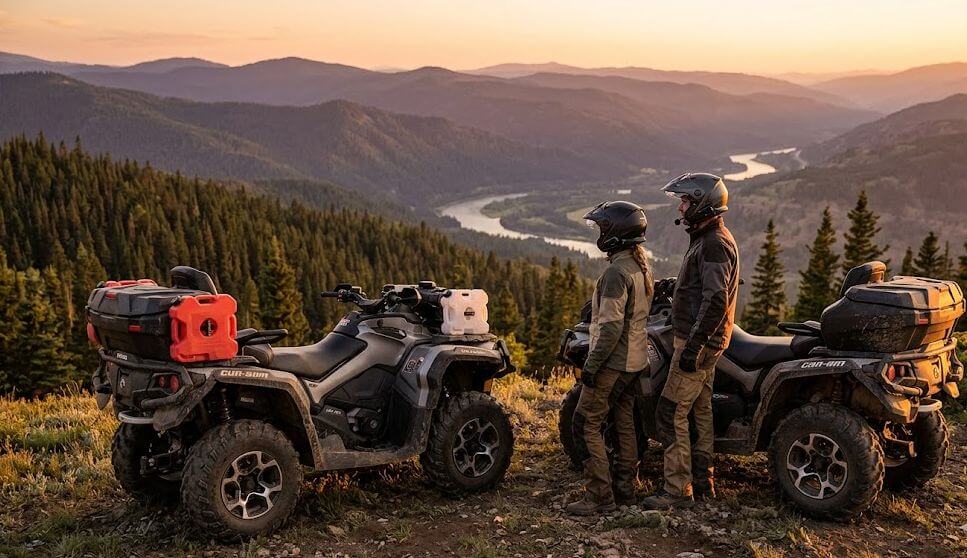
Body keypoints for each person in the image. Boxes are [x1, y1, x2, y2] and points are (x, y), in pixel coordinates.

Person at [642, 173, 739, 510]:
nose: (681, 207)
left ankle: (676, 490)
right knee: (700, 411)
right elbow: (704, 286)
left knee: (670, 412)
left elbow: (716, 299)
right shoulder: (707, 237)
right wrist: (677, 284)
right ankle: (702, 480)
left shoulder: (713, 243)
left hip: (698, 343)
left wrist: (694, 346)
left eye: (685, 201)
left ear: (702, 203)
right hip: (707, 341)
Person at [566, 201, 653, 516]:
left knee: (585, 422)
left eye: (602, 228)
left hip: (614, 362)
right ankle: (625, 490)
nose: (599, 233)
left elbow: (612, 327)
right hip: (635, 360)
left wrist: (591, 365)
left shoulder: (616, 272)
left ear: (615, 234)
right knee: (623, 422)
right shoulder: (639, 265)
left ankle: (600, 496)